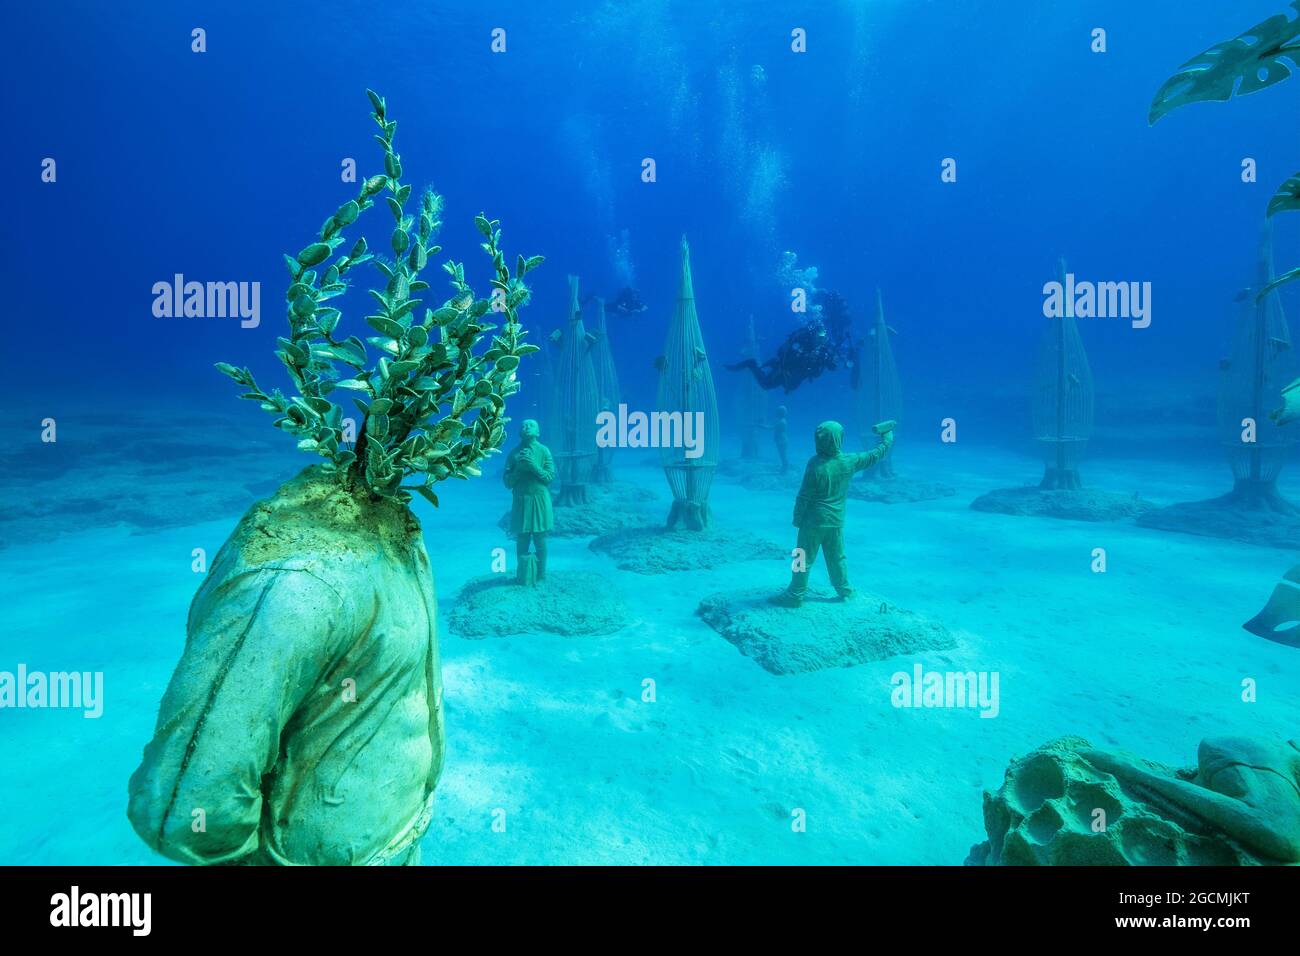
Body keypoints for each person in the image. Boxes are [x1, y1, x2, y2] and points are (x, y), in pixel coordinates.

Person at [773, 419, 895, 607]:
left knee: (802, 557)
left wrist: (797, 518)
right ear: (840, 439)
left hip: (812, 522)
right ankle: (844, 590)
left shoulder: (815, 464)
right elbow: (875, 455)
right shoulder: (850, 461)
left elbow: (803, 496)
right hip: (835, 521)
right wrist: (887, 438)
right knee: (837, 557)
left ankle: (795, 594)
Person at [503, 419, 555, 584]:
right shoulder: (513, 454)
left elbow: (549, 478)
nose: (526, 427)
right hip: (521, 500)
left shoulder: (544, 451)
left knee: (540, 539)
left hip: (539, 499)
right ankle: (522, 575)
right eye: (524, 425)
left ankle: (541, 574)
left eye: (531, 425)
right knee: (522, 538)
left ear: (538, 431)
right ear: (519, 431)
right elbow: (507, 483)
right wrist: (518, 469)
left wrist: (533, 466)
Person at [758, 405, 790, 473]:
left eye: (778, 411)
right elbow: (772, 426)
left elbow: (770, 428)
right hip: (781, 440)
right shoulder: (781, 420)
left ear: (780, 413)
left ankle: (785, 469)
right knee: (782, 455)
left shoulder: (781, 422)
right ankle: (784, 468)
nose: (776, 413)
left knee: (783, 455)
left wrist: (760, 425)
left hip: (782, 441)